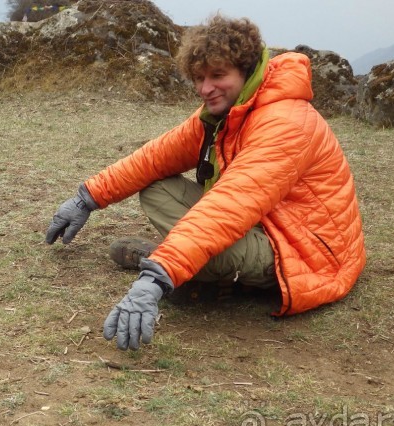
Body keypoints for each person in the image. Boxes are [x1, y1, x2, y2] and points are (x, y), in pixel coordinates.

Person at [44, 14, 366, 351]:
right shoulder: (228, 111)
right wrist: (87, 197)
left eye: (217, 75)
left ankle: (198, 275)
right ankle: (190, 267)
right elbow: (157, 156)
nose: (205, 88)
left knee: (208, 231)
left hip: (305, 252)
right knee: (157, 189)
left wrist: (155, 278)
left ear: (247, 69)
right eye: (199, 78)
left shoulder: (285, 123)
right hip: (266, 222)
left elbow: (230, 205)